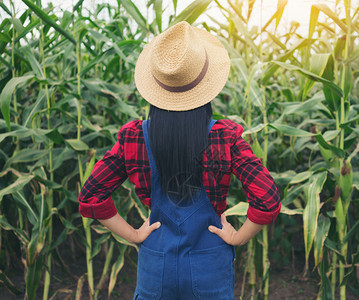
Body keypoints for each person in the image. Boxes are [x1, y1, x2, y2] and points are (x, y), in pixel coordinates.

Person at [78, 21, 280, 300]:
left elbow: (91, 198)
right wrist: (238, 237)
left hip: (155, 264)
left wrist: (135, 235)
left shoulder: (134, 137)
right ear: (205, 85)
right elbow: (267, 199)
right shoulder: (225, 137)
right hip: (209, 263)